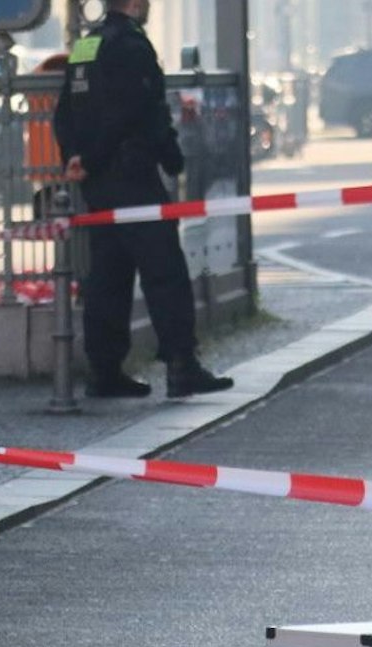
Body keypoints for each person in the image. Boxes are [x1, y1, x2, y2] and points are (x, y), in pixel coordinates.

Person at [53, 0, 233, 399]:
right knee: (164, 270)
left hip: (96, 183)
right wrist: (172, 158)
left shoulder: (88, 44)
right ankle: (181, 365)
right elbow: (139, 113)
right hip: (132, 176)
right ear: (134, 3)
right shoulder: (133, 46)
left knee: (108, 274)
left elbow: (64, 110)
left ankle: (105, 372)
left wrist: (75, 158)